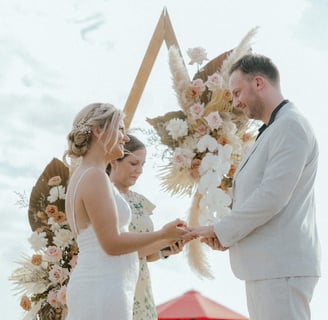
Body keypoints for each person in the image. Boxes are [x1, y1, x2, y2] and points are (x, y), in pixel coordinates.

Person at [190, 54, 321, 320]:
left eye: (237, 92)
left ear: (259, 82)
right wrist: (228, 236)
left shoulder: (290, 126)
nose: (236, 102)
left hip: (280, 268)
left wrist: (222, 230)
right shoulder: (275, 129)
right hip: (268, 268)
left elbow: (272, 197)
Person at [63, 102, 190, 320]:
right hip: (103, 288)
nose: (124, 137)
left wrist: (167, 242)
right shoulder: (94, 176)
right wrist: (162, 234)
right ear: (98, 132)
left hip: (101, 284)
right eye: (120, 129)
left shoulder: (85, 174)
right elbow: (112, 244)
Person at [108, 134, 184, 320]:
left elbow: (144, 254)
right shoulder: (106, 197)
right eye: (134, 163)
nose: (140, 170)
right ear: (114, 161)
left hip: (141, 284)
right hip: (116, 282)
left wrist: (166, 249)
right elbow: (119, 249)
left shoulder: (140, 202)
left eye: (143, 164)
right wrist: (163, 236)